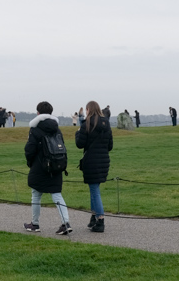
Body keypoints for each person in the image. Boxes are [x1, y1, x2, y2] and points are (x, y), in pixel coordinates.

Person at [23, 101, 73, 236]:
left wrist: (30, 162)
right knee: (57, 194)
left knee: (36, 194)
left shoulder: (35, 129)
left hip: (40, 166)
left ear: (38, 113)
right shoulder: (57, 129)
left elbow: (30, 149)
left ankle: (35, 224)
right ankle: (66, 223)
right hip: (56, 165)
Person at [75, 101, 113, 233]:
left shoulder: (86, 124)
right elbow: (110, 146)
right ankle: (93, 217)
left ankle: (100, 220)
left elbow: (80, 144)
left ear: (88, 110)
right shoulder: (106, 123)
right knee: (93, 189)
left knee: (95, 191)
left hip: (91, 160)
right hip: (103, 160)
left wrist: (78, 133)